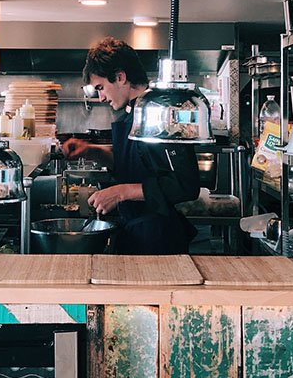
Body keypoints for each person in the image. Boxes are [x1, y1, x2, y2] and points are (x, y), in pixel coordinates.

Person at [63, 38, 200, 255]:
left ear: (120, 77)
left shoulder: (161, 113)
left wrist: (121, 193)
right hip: (136, 231)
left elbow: (185, 185)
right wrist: (92, 151)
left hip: (159, 239)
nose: (101, 98)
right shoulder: (132, 113)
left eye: (101, 88)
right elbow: (135, 165)